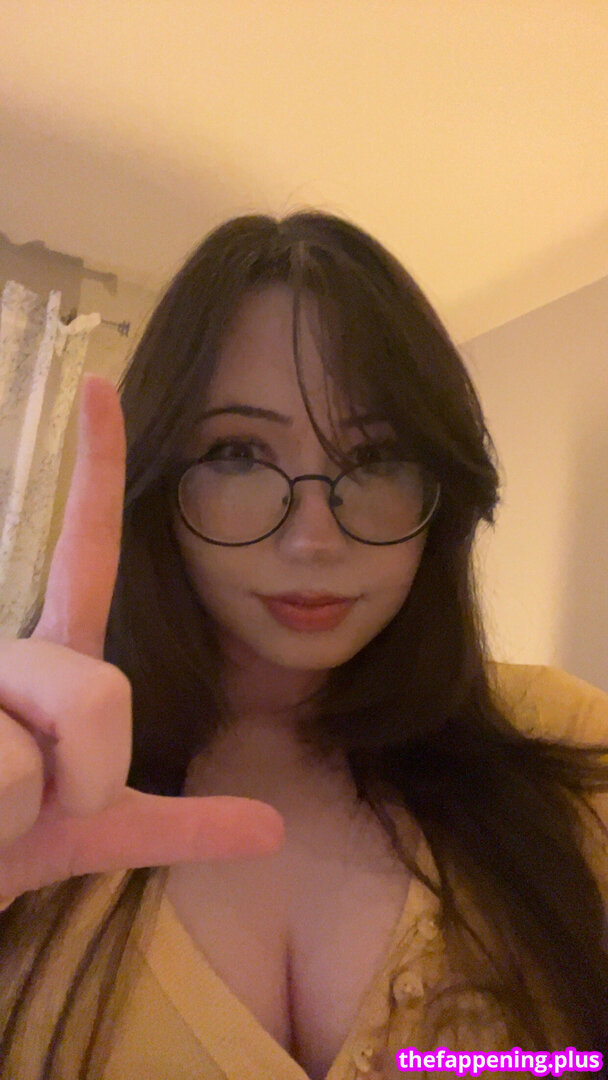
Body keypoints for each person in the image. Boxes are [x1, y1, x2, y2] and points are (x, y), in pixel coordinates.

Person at [0, 211, 607, 1080]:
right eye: (239, 453)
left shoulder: (567, 743)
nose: (315, 538)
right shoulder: (33, 795)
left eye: (377, 458)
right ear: (161, 478)